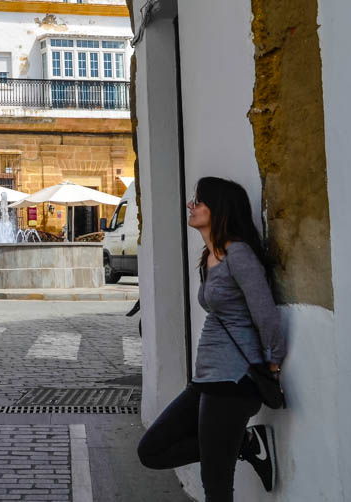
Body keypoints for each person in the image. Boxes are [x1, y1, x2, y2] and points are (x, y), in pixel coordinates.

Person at [137, 177, 285, 500]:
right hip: (206, 380)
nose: (192, 206)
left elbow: (266, 314)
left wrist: (272, 365)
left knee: (216, 485)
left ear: (219, 209)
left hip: (234, 382)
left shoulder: (239, 256)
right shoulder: (209, 257)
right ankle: (243, 443)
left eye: (199, 201)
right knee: (151, 450)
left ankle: (233, 446)